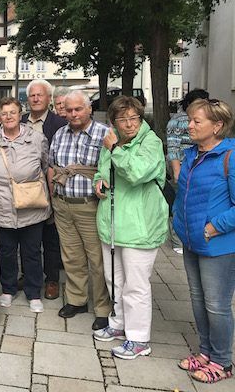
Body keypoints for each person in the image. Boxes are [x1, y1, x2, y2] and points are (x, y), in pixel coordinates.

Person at [93, 96, 168, 359]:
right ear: (114, 121)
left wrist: (115, 150)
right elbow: (103, 171)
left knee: (136, 285)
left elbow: (136, 173)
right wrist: (99, 182)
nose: (128, 124)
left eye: (133, 117)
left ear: (141, 117)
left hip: (140, 225)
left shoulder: (151, 143)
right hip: (112, 223)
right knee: (115, 280)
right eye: (122, 119)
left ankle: (138, 339)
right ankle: (118, 324)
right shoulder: (112, 141)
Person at [173, 98, 235, 384]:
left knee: (216, 305)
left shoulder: (230, 156)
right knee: (198, 301)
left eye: (197, 121)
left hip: (217, 245)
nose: (190, 126)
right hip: (191, 240)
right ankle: (206, 352)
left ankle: (222, 362)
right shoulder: (191, 155)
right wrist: (178, 222)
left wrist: (213, 227)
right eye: (190, 120)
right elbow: (182, 194)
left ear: (218, 126)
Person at [48, 90, 111, 330]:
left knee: (97, 259)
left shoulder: (104, 134)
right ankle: (76, 299)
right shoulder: (60, 134)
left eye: (78, 109)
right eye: (69, 109)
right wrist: (53, 195)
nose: (73, 114)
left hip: (90, 206)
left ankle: (103, 308)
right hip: (63, 204)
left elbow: (111, 168)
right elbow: (53, 166)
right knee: (71, 256)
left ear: (89, 109)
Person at [0, 97, 50, 313]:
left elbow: (45, 164)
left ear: (20, 114)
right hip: (1, 205)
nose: (9, 117)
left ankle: (33, 292)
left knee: (31, 251)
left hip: (31, 204)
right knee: (6, 250)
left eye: (13, 112)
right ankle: (8, 289)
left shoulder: (37, 138)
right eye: (4, 113)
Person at [21, 79, 68, 300]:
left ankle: (51, 280)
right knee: (27, 236)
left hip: (48, 186)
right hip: (23, 189)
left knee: (50, 237)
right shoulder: (20, 121)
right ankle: (30, 275)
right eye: (32, 95)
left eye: (40, 95)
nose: (36, 98)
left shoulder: (59, 123)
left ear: (49, 99)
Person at [166, 89, 210, 254]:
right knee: (178, 204)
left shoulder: (205, 120)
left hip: (198, 168)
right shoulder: (177, 121)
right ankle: (177, 242)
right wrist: (177, 171)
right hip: (183, 167)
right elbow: (172, 147)